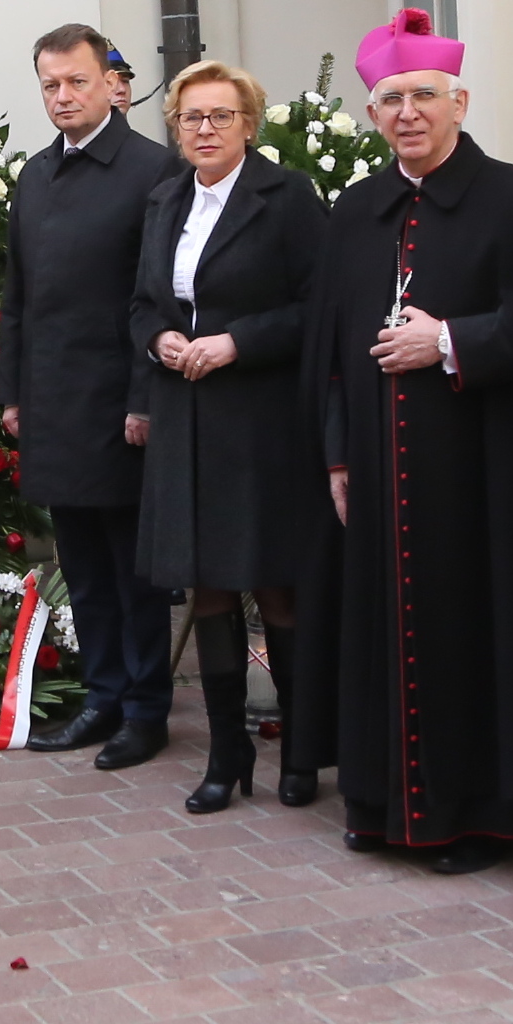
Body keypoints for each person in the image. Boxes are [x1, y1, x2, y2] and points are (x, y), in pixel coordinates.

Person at [302, 7, 513, 873]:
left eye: (424, 97)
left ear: (460, 101)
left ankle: (477, 813)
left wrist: (448, 340)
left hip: (484, 474)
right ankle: (385, 806)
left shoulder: (512, 197)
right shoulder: (358, 209)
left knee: (475, 636)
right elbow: (329, 348)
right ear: (373, 115)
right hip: (375, 466)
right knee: (388, 635)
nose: (408, 112)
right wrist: (336, 452)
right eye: (391, 99)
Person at [128, 60, 327, 812]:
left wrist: (238, 341)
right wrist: (162, 343)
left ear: (249, 123)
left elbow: (319, 304)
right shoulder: (165, 199)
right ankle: (226, 750)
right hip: (186, 416)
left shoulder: (287, 198)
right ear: (176, 130)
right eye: (190, 117)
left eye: (219, 115)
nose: (204, 129)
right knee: (207, 587)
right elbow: (143, 302)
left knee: (275, 584)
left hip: (262, 419)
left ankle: (303, 749)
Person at [0, 24, 181, 768]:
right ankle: (102, 695)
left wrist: (144, 400)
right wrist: (12, 392)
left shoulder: (153, 171)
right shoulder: (35, 176)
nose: (63, 96)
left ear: (113, 83)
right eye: (50, 84)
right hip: (52, 405)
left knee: (133, 568)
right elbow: (17, 298)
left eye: (76, 81)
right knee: (82, 565)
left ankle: (146, 708)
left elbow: (159, 298)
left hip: (121, 405)